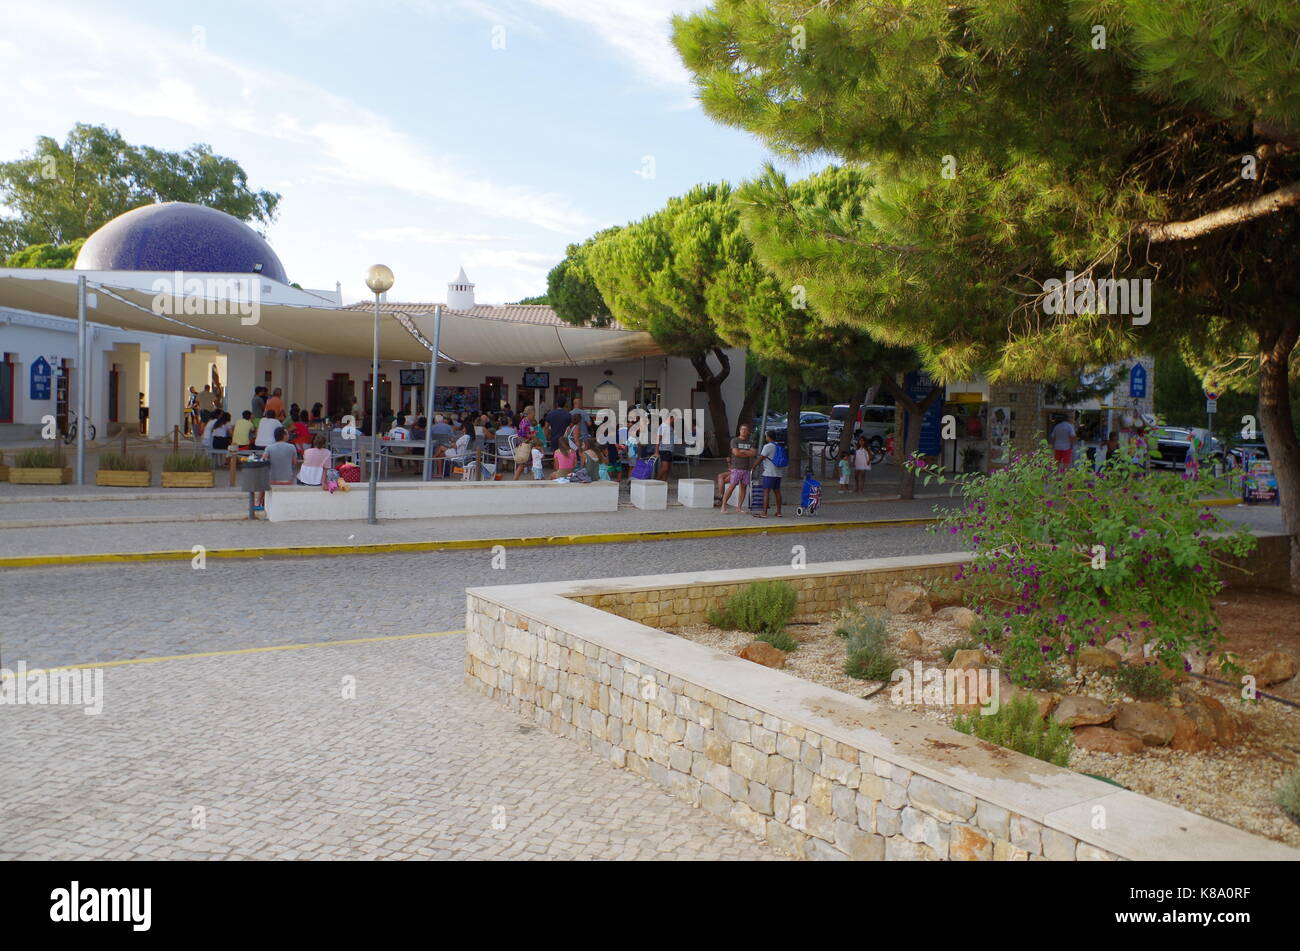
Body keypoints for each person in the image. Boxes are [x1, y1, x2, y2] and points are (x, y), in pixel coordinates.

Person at [253, 428, 298, 511]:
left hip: (272, 480)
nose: (288, 435)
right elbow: (294, 463)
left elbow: (263, 462)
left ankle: (258, 502)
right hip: (288, 480)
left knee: (264, 479)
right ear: (284, 436)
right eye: (287, 433)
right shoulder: (292, 447)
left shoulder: (269, 448)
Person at [720, 424, 757, 514]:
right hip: (736, 467)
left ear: (748, 432)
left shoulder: (750, 442)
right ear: (739, 431)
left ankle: (739, 507)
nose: (743, 431)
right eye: (742, 429)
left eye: (745, 430)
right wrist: (748, 453)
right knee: (732, 486)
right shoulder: (734, 440)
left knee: (743, 488)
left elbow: (754, 453)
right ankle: (723, 505)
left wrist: (743, 451)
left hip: (747, 468)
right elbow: (736, 453)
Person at [755, 429, 784, 518]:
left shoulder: (767, 446)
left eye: (766, 436)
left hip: (769, 473)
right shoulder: (778, 445)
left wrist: (754, 466)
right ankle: (779, 512)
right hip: (778, 473)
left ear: (768, 437)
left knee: (766, 492)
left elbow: (761, 457)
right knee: (777, 492)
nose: (765, 437)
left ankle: (764, 513)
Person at [655, 412, 675, 480]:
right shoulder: (663, 426)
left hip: (670, 450)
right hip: (664, 450)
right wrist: (656, 451)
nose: (675, 421)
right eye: (674, 419)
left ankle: (663, 483)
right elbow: (658, 439)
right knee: (665, 468)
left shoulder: (670, 427)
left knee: (668, 469)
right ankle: (656, 480)